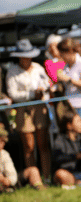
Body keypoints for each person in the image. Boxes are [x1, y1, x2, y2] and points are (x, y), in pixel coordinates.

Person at [5, 38, 52, 178]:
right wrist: (32, 93)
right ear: (19, 57)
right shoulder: (12, 71)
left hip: (39, 107)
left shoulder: (38, 68)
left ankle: (47, 176)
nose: (27, 59)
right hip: (23, 110)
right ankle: (34, 177)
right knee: (29, 145)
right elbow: (13, 93)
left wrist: (43, 88)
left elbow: (47, 82)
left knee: (43, 143)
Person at [52, 109, 81, 187]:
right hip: (68, 173)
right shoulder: (59, 140)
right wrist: (78, 156)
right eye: (78, 121)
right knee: (60, 174)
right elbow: (58, 158)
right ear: (69, 125)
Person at [56, 37, 81, 120]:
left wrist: (69, 80)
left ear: (70, 51)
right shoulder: (66, 67)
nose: (61, 57)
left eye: (62, 54)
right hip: (70, 106)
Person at [0, 126, 46, 192]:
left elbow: (12, 174)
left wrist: (8, 181)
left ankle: (40, 190)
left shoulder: (4, 154)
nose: (2, 144)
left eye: (2, 141)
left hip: (11, 181)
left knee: (33, 170)